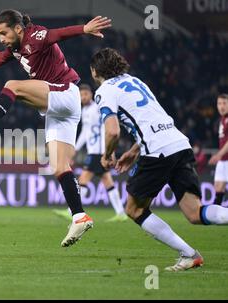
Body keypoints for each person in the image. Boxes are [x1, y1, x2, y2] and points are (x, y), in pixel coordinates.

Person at [0, 9, 112, 247]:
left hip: (65, 93)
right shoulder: (16, 47)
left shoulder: (35, 35)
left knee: (12, 86)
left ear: (18, 28)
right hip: (59, 109)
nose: (1, 38)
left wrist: (84, 29)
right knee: (60, 167)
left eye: (3, 33)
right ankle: (79, 216)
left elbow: (57, 35)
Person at [92, 48, 228, 271]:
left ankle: (188, 253)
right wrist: (135, 151)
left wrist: (107, 156)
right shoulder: (135, 81)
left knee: (134, 210)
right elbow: (155, 118)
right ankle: (190, 255)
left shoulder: (104, 90)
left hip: (158, 151)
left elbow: (113, 131)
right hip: (179, 143)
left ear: (95, 71)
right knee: (194, 212)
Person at [53, 84, 127, 222]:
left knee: (83, 180)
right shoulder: (85, 110)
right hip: (96, 151)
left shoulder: (96, 109)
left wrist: (108, 150)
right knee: (107, 181)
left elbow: (105, 128)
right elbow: (85, 133)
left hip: (97, 152)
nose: (83, 97)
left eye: (85, 94)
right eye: (81, 95)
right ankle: (121, 213)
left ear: (91, 94)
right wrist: (75, 148)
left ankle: (72, 211)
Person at [209, 94, 228, 205]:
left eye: (224, 103)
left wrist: (219, 154)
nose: (221, 106)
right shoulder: (222, 119)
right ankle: (217, 216)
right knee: (218, 189)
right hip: (223, 160)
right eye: (219, 103)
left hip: (224, 157)